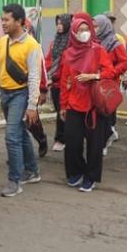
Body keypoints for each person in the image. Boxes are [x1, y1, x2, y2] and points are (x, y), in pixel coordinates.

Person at [59, 14, 116, 192]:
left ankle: (90, 177)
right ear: (73, 33)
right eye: (80, 30)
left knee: (94, 145)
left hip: (94, 104)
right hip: (74, 103)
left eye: (86, 30)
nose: (84, 33)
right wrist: (63, 105)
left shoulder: (98, 50)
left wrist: (94, 76)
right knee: (72, 141)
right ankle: (76, 172)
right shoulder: (67, 54)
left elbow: (110, 71)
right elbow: (64, 81)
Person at [0, 3, 43, 197]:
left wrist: (32, 105)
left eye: (7, 19)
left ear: (19, 21)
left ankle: (15, 180)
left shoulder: (32, 45)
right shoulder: (2, 41)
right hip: (5, 94)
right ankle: (32, 171)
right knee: (20, 134)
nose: (3, 23)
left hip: (20, 95)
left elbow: (34, 76)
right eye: (2, 19)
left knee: (11, 136)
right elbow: (0, 69)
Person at [95, 14, 127, 155]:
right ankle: (103, 137)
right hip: (95, 82)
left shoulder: (114, 43)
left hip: (109, 84)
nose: (95, 29)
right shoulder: (93, 42)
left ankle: (103, 142)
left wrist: (113, 72)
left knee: (106, 114)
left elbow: (125, 62)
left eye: (97, 26)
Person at [44, 13, 72, 153]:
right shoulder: (54, 42)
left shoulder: (72, 42)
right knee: (59, 110)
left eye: (62, 23)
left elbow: (67, 63)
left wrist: (56, 76)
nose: (59, 26)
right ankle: (63, 137)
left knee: (64, 111)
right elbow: (48, 59)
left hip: (66, 82)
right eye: (58, 23)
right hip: (54, 82)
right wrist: (49, 74)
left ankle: (61, 138)